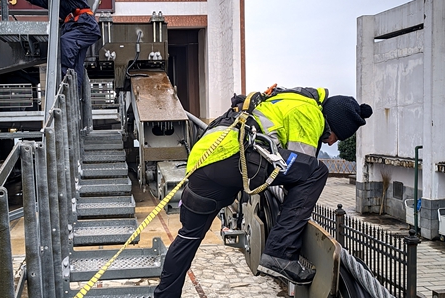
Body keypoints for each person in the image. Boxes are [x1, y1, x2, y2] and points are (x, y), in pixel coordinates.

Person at [153, 87, 372, 297]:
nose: (331, 143)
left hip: (203, 164)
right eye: (336, 137)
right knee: (317, 172)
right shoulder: (310, 114)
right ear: (333, 125)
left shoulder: (287, 99)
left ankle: (165, 295)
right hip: (232, 159)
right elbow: (300, 173)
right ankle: (280, 253)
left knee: (188, 237)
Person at [8, 0, 101, 91]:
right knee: (76, 64)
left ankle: (66, 82)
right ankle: (76, 92)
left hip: (84, 25)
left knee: (66, 41)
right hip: (78, 27)